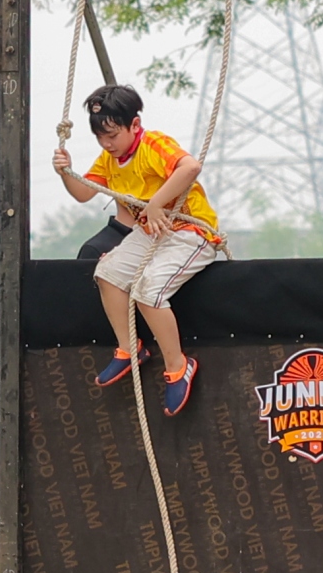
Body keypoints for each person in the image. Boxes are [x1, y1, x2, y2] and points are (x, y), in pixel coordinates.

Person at [52, 83, 221, 417]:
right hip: (151, 232)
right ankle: (130, 348)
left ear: (134, 124)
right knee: (108, 273)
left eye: (112, 135)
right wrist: (64, 172)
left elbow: (190, 167)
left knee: (148, 291)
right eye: (101, 137)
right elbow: (84, 194)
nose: (107, 143)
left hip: (188, 229)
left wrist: (157, 204)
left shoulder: (153, 143)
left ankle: (178, 366)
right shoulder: (109, 157)